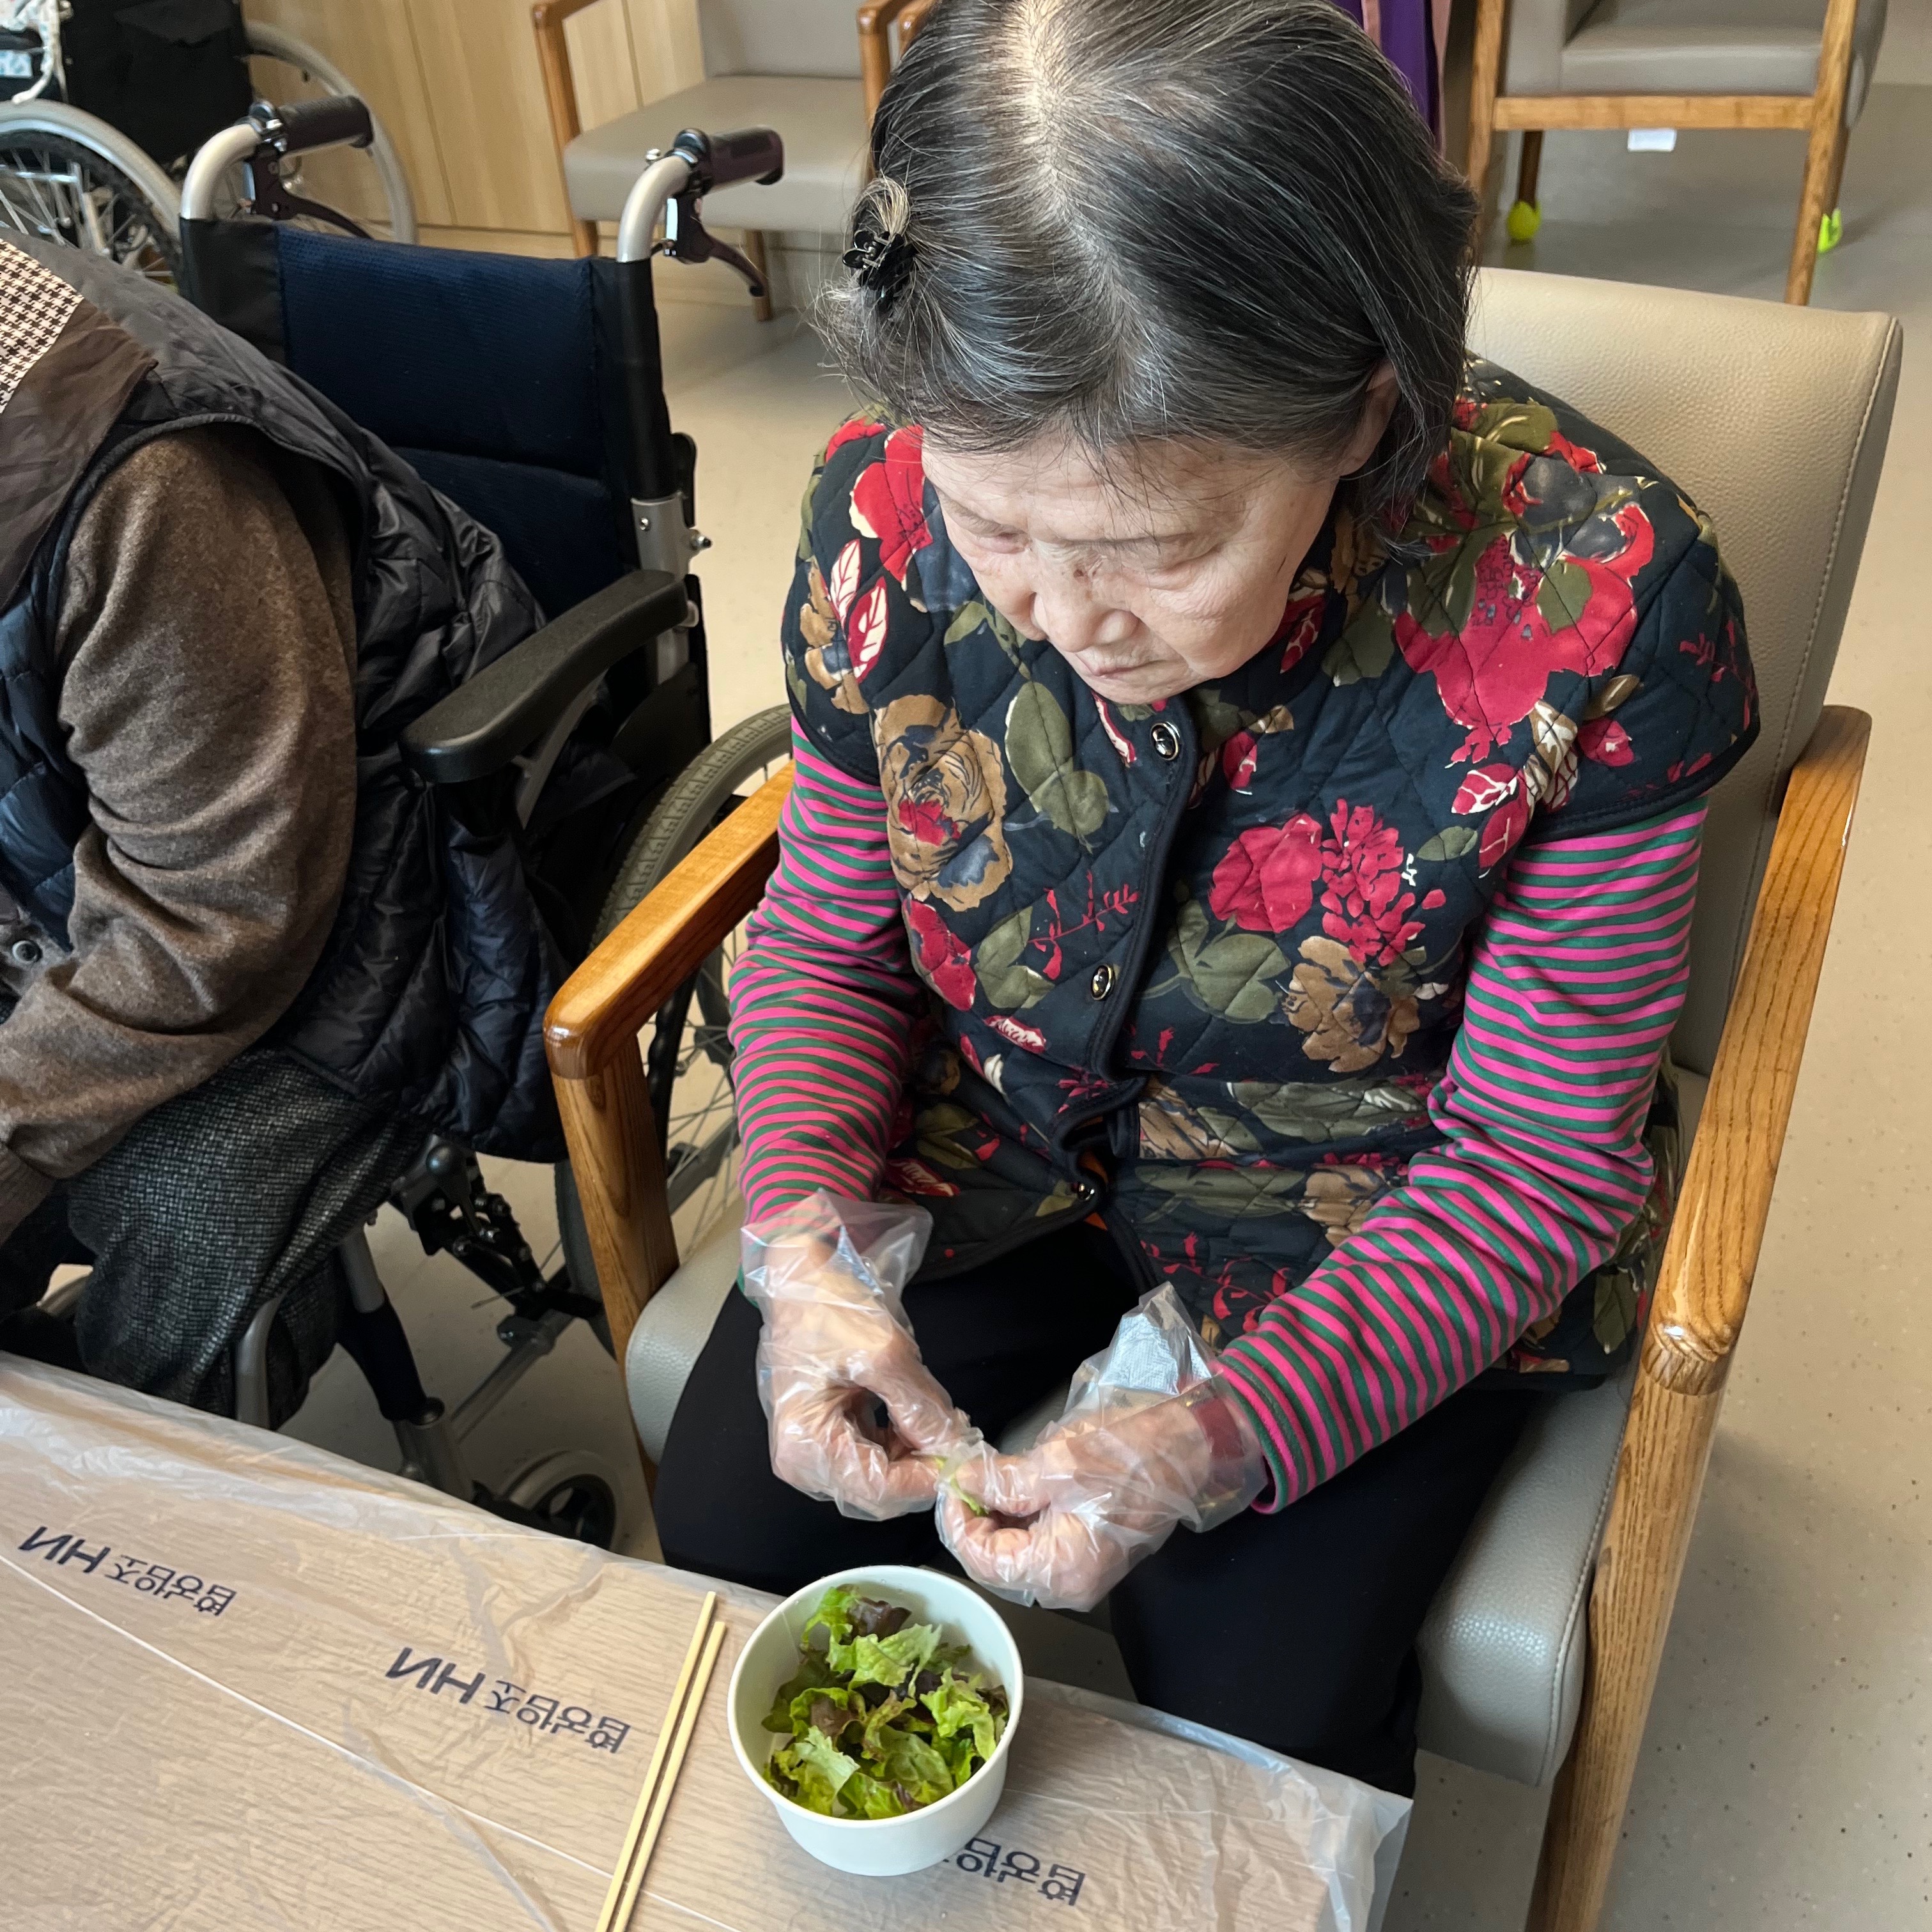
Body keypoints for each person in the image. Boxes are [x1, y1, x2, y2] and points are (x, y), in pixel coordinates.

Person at [653, 0, 1756, 1797]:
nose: (1056, 616)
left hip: (1368, 1211)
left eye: (1158, 549)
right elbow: (831, 951)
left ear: (1365, 414)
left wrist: (1222, 1435)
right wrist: (803, 1245)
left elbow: (1537, 1160)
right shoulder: (878, 515)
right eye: (996, 526)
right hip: (990, 1147)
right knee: (737, 1518)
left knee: (1252, 1704)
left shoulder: (1606, 605)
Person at [0, 232, 561, 1421]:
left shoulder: (143, 496)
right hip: (93, 864)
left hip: (358, 908)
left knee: (170, 1212)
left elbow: (215, 916)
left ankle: (134, 1490)